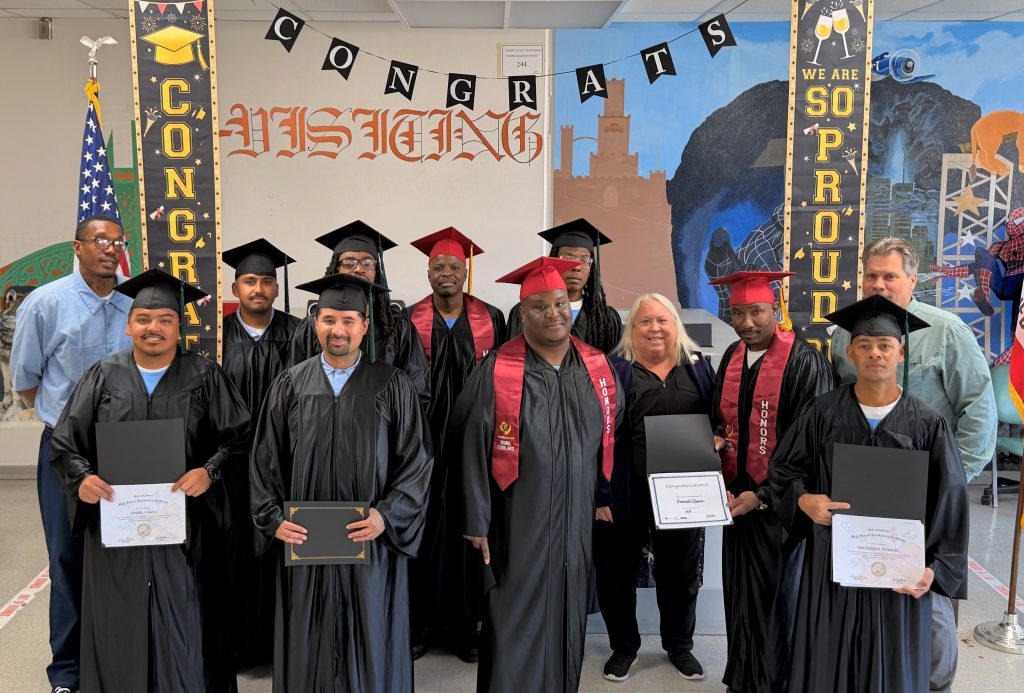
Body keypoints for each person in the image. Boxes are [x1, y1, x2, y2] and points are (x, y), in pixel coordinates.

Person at [49, 268, 251, 692]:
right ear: (128, 324)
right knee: (119, 616)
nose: (153, 328)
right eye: (143, 319)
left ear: (179, 327)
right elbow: (66, 444)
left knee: (187, 616)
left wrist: (209, 471)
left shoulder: (204, 375)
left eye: (165, 320)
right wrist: (82, 478)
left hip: (187, 533)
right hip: (117, 532)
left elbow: (240, 441)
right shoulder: (103, 376)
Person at [769, 294, 968, 693]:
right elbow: (783, 470)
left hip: (900, 576)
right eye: (865, 345)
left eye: (884, 345)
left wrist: (935, 570)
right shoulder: (821, 413)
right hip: (833, 569)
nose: (874, 353)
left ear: (900, 353)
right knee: (828, 658)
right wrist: (803, 500)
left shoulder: (928, 425)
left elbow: (950, 502)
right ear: (850, 352)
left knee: (893, 667)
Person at [250, 272, 434, 692]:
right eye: (330, 319)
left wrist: (387, 517)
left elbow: (417, 461)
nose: (339, 330)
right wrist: (272, 518)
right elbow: (265, 461)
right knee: (307, 634)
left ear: (365, 326)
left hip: (369, 541)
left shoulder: (392, 384)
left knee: (371, 631)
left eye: (349, 321)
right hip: (304, 542)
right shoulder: (290, 384)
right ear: (315, 322)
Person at [829, 237, 995, 692]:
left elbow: (979, 412)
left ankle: (933, 685)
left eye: (890, 276)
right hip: (861, 492)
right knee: (864, 594)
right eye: (871, 276)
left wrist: (951, 486)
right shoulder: (845, 335)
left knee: (930, 603)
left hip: (926, 496)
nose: (879, 285)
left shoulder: (945, 332)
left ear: (912, 279)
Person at [453, 256, 623, 693]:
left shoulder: (597, 369)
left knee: (567, 613)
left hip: (574, 520)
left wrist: (600, 495)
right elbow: (468, 445)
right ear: (522, 315)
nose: (553, 314)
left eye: (560, 303)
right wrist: (477, 520)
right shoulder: (496, 370)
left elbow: (609, 435)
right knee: (514, 613)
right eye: (539, 307)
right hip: (516, 520)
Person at [9, 214, 134, 693]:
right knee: (67, 557)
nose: (109, 249)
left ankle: (122, 659)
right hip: (66, 451)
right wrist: (72, 422)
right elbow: (25, 383)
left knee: (125, 555)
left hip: (127, 449)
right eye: (99, 240)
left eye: (116, 241)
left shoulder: (136, 301)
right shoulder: (45, 305)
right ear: (76, 248)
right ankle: (68, 671)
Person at [708, 271, 835, 693]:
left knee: (778, 599)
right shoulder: (731, 356)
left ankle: (775, 684)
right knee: (740, 595)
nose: (746, 322)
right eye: (738, 312)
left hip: (780, 506)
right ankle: (742, 677)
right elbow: (718, 422)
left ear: (775, 310)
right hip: (736, 502)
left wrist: (763, 495)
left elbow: (811, 445)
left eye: (756, 312)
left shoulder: (804, 361)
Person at [593, 293, 716, 683]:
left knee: (680, 572)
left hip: (683, 492)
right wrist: (600, 494)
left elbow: (718, 420)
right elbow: (595, 435)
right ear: (633, 329)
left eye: (662, 320)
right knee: (616, 572)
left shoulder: (699, 369)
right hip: (625, 490)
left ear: (675, 325)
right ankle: (623, 647)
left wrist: (716, 439)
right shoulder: (615, 370)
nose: (654, 328)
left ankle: (680, 646)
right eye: (644, 321)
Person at [406, 227, 506, 661]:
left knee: (472, 532)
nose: (445, 272)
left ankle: (468, 629)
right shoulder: (408, 319)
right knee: (422, 529)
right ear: (427, 271)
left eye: (454, 267)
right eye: (438, 266)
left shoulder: (492, 318)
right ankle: (419, 624)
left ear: (466, 272)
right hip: (423, 446)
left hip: (475, 445)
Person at [220, 237, 301, 667]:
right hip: (230, 465)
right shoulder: (216, 335)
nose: (258, 289)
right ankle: (238, 646)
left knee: (278, 549)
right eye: (249, 281)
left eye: (266, 281)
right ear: (236, 288)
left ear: (275, 287)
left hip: (283, 463)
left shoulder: (298, 333)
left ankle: (279, 646)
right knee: (234, 551)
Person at [288, 219, 430, 406]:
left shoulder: (396, 325)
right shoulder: (311, 327)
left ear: (376, 271)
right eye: (349, 262)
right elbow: (294, 387)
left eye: (367, 262)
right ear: (336, 267)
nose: (359, 268)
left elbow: (417, 389)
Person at [505, 218, 622, 353]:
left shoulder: (606, 317)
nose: (576, 267)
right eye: (568, 258)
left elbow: (613, 367)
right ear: (553, 262)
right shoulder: (526, 312)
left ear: (591, 269)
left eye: (584, 260)